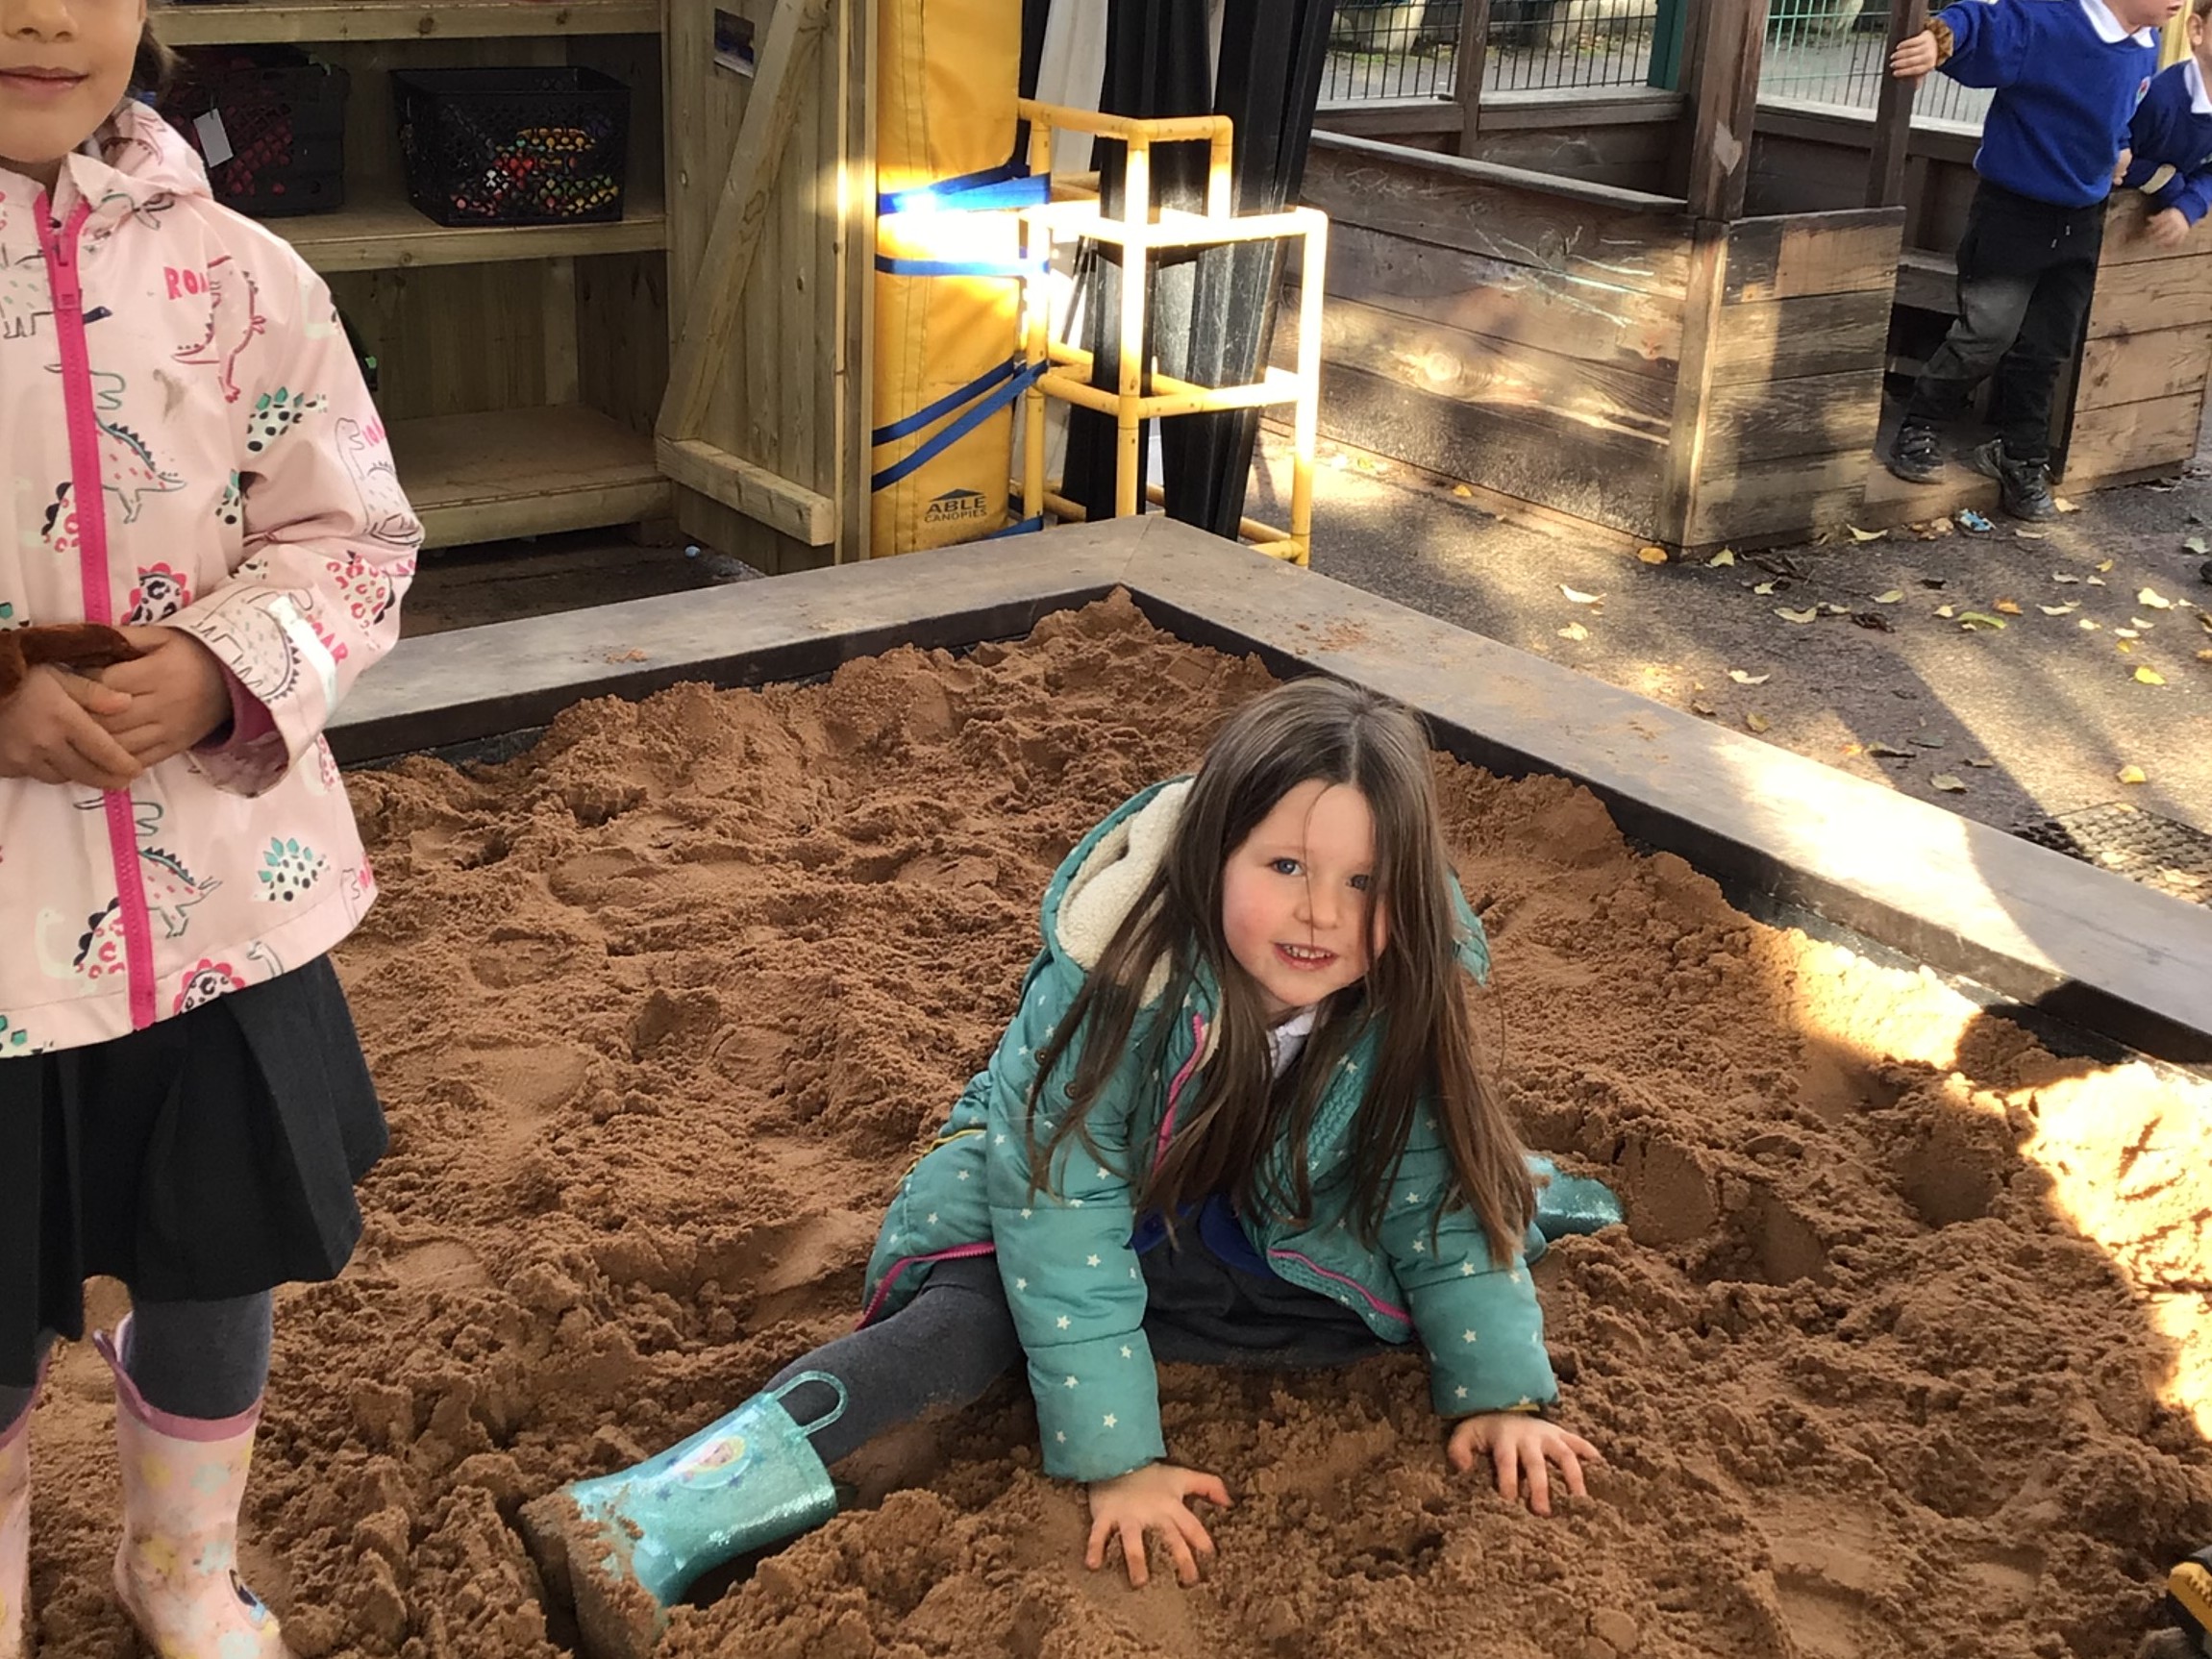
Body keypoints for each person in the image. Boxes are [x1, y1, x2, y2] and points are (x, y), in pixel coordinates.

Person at [523, 678, 1613, 1659]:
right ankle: (649, 1511)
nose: (1322, 912)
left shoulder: (1402, 996)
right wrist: (1117, 1457)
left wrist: (1504, 1394)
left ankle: (1528, 1187)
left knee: (1432, 1263)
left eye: (1363, 880)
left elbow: (1432, 1199)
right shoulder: (1117, 980)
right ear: (1213, 855)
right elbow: (1062, 1210)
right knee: (961, 1334)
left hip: (1261, 1228)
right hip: (1057, 1205)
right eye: (1284, 866)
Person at [0, 0, 421, 1652]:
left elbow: (355, 537)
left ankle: (176, 1565)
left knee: (216, 1257)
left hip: (218, 916)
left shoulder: (246, 276)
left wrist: (220, 667)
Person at [1884, 0, 2175, 519]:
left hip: (2083, 216)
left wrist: (2123, 146)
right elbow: (1984, 22)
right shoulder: (2049, 22)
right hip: (2013, 211)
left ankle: (2019, 456)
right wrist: (1938, 40)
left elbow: (2122, 109)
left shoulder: (2146, 43)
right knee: (1986, 333)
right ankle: (1920, 425)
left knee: (2047, 347)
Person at [2119, 0, 2212, 248]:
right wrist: (2167, 182)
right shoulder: (2159, 99)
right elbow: (2112, 158)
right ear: (2197, 30)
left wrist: (2189, 205)